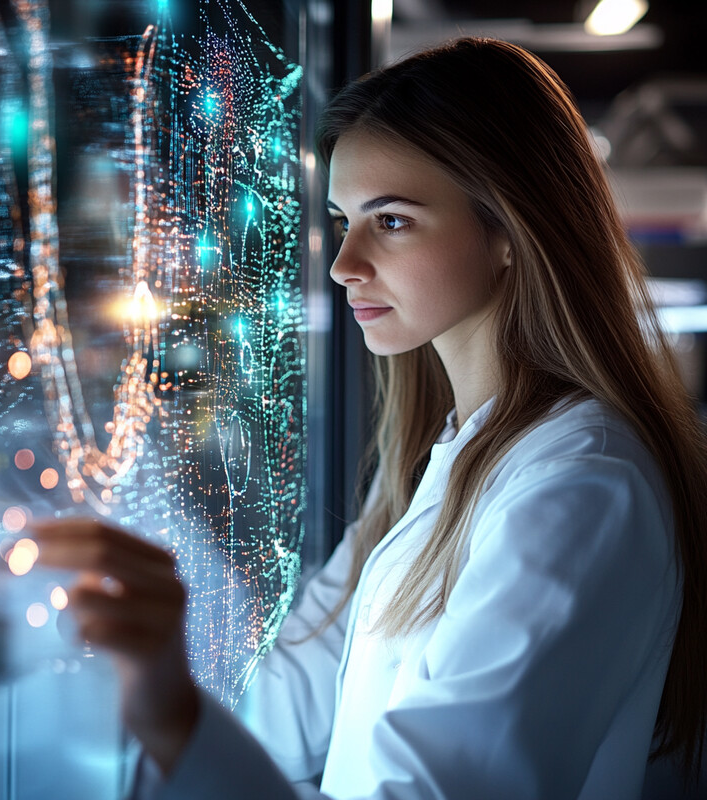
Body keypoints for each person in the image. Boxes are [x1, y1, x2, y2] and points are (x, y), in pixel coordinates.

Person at [34, 37, 707, 799]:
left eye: (390, 221)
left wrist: (173, 714)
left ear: (511, 231)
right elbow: (282, 706)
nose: (343, 262)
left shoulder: (580, 491)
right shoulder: (444, 462)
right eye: (343, 218)